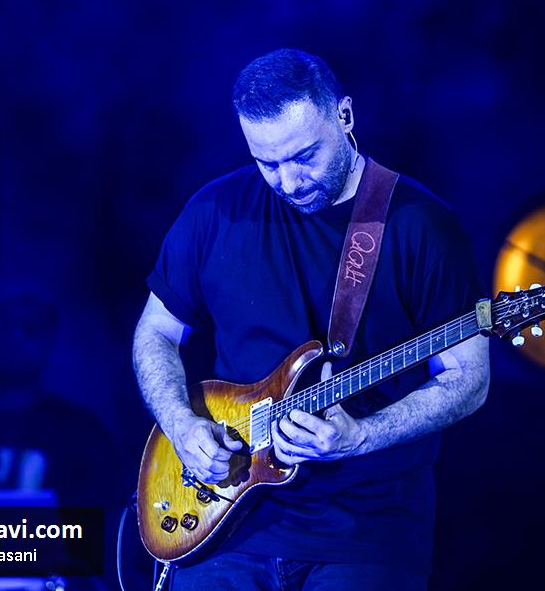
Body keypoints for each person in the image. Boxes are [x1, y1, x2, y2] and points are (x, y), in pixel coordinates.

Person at [133, 48, 490, 590]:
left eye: (304, 157)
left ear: (344, 116)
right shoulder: (214, 210)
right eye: (267, 163)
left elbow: (468, 378)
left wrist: (360, 436)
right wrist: (182, 426)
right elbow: (156, 331)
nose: (289, 181)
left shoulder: (422, 226)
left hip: (366, 533)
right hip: (224, 526)